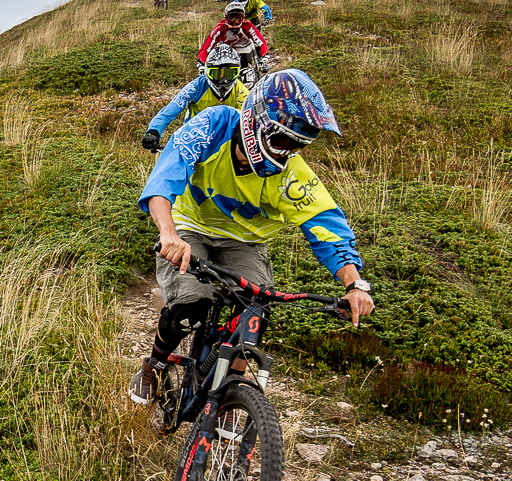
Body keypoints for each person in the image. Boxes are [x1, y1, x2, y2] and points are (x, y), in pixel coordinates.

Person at [128, 69, 374, 404]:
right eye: (284, 141)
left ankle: (232, 388)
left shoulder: (291, 174)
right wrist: (169, 234)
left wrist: (354, 285)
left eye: (297, 146)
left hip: (244, 242)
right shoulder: (214, 126)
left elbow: (326, 226)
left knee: (254, 314)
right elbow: (167, 172)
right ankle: (154, 364)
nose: (287, 154)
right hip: (189, 227)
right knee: (190, 308)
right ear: (257, 121)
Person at [141, 42, 248, 150]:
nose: (223, 80)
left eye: (229, 74)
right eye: (217, 74)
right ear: (207, 71)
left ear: (237, 72)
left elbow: (250, 120)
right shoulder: (196, 87)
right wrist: (153, 132)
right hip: (192, 140)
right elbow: (169, 111)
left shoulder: (242, 92)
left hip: (225, 143)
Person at [198, 0, 270, 78]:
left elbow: (261, 41)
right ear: (226, 17)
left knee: (248, 77)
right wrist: (201, 64)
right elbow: (207, 46)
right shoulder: (220, 28)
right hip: (225, 52)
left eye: (238, 18)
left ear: (242, 18)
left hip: (244, 51)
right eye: (231, 18)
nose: (235, 22)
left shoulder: (247, 25)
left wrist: (264, 58)